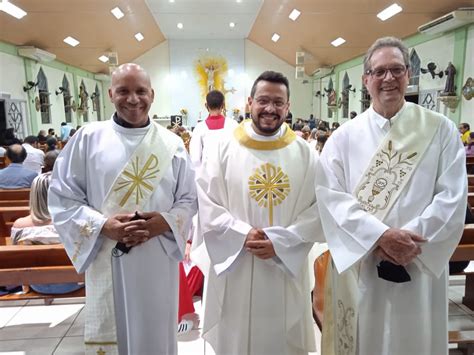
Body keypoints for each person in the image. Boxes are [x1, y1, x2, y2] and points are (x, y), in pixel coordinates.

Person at [315, 37, 466, 355]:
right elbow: (331, 198)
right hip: (365, 265)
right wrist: (381, 237)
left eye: (397, 70)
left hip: (418, 262)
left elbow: (452, 196)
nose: (388, 78)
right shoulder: (343, 138)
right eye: (379, 71)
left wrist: (409, 243)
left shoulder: (440, 130)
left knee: (415, 339)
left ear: (409, 74)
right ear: (365, 79)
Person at [48, 63, 197, 355]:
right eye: (123, 91)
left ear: (152, 94)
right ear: (110, 94)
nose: (133, 99)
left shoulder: (172, 144)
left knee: (155, 331)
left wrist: (163, 223)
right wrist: (104, 226)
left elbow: (189, 200)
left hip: (157, 259)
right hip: (106, 252)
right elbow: (62, 197)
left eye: (140, 91)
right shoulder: (88, 138)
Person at [193, 71, 322, 355]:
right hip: (237, 262)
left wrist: (281, 241)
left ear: (288, 107)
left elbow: (318, 210)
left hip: (283, 265)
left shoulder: (306, 154)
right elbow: (207, 202)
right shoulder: (221, 149)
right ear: (250, 102)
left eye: (278, 102)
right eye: (263, 100)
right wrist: (243, 234)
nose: (270, 109)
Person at [11, 172, 84, 294]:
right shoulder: (73, 222)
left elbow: (18, 260)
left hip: (37, 285)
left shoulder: (19, 225)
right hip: (73, 282)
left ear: (34, 195)